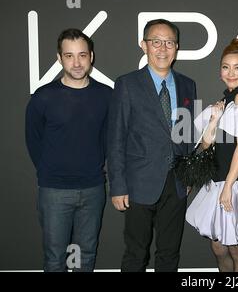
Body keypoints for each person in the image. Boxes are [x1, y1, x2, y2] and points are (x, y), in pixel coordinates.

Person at [107, 19, 197, 272]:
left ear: (176, 47)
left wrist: (188, 175)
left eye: (169, 42)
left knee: (169, 253)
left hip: (176, 183)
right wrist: (118, 185)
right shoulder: (127, 84)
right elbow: (115, 137)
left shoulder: (187, 85)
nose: (162, 48)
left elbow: (186, 134)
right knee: (136, 253)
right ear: (144, 45)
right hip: (138, 182)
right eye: (156, 42)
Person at [25, 28, 111, 272]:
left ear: (91, 57)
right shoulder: (43, 97)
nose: (76, 62)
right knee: (54, 257)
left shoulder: (106, 96)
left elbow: (108, 138)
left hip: (93, 188)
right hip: (54, 190)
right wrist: (50, 171)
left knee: (87, 256)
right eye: (69, 55)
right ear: (59, 58)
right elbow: (33, 139)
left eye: (82, 55)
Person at [186, 34, 238, 272]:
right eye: (226, 67)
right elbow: (205, 146)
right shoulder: (226, 99)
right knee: (219, 248)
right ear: (220, 70)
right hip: (218, 180)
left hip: (234, 183)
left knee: (236, 249)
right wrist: (213, 121)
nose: (231, 72)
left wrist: (228, 187)